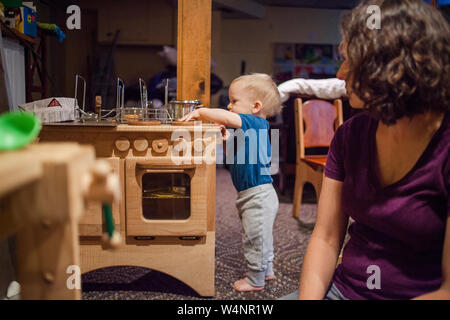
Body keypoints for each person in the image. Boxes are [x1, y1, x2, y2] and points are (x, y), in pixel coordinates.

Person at [288, 0, 450, 300]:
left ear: (394, 67)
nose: (340, 73)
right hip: (345, 290)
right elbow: (325, 238)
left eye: (351, 61)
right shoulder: (350, 135)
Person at [180, 73, 282, 292]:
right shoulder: (249, 128)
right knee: (261, 234)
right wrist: (227, 141)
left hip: (259, 195)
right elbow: (233, 158)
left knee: (254, 238)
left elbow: (224, 116)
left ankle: (256, 279)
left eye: (234, 101)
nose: (228, 105)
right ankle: (267, 269)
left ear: (255, 106)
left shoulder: (254, 122)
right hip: (251, 194)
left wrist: (200, 111)